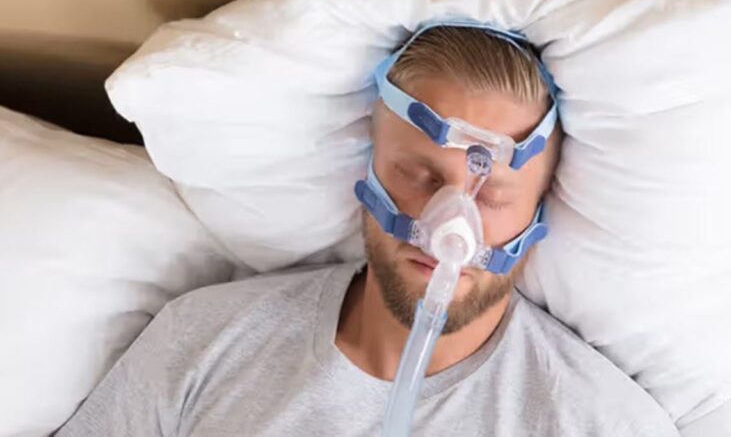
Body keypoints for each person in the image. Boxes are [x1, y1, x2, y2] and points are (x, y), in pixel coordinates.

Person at [56, 23, 679, 437]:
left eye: (492, 195)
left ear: (538, 210)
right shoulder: (202, 344)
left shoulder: (600, 422)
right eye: (420, 176)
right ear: (370, 168)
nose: (449, 222)